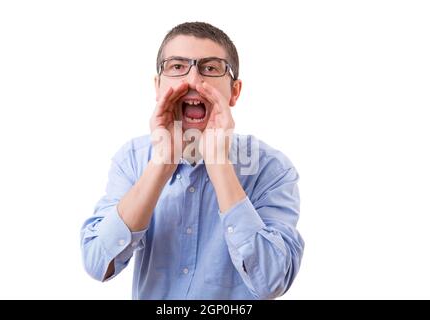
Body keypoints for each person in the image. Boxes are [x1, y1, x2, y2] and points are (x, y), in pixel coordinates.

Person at [80, 22, 304, 300]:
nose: (193, 80)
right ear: (158, 85)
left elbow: (272, 281)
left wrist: (218, 161)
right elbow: (97, 262)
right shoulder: (132, 160)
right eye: (177, 66)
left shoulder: (272, 169)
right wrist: (162, 162)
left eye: (210, 68)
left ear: (235, 91)